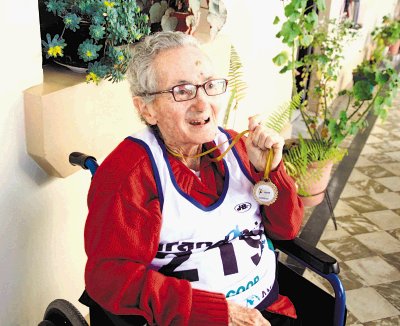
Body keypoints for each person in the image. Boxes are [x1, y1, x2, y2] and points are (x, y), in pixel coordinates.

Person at [82, 31, 304, 326]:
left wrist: (272, 172)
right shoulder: (130, 174)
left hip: (269, 310)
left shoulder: (240, 148)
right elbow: (109, 277)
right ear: (146, 109)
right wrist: (218, 312)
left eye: (209, 86)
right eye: (182, 91)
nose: (203, 104)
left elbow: (287, 230)